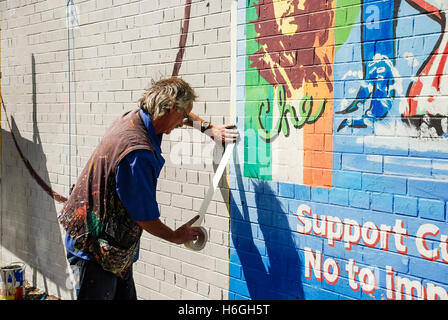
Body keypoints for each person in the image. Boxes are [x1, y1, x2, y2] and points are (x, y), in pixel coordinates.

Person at [58, 77, 238, 300]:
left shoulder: (137, 118)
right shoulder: (138, 153)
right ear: (171, 107)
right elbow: (144, 216)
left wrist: (210, 129)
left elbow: (184, 115)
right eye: (181, 115)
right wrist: (174, 236)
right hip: (93, 252)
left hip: (111, 248)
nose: (182, 122)